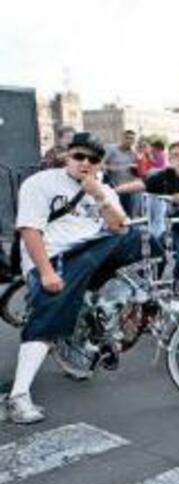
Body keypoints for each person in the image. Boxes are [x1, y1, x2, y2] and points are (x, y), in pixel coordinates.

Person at [3, 132, 139, 423]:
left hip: (87, 253)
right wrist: (46, 273)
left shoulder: (104, 189)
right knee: (49, 315)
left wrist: (99, 195)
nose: (85, 163)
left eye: (93, 159)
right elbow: (30, 231)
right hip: (54, 256)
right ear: (67, 156)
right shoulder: (41, 183)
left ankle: (92, 301)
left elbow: (118, 228)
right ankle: (18, 396)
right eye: (79, 156)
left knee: (133, 236)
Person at [116, 141, 179, 307]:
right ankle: (148, 301)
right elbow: (142, 185)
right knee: (153, 255)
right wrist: (111, 191)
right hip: (177, 227)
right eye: (176, 156)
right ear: (169, 159)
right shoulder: (166, 175)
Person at [103, 130, 139, 214]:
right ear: (122, 138)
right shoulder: (110, 149)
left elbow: (138, 170)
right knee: (114, 213)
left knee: (127, 214)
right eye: (127, 138)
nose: (129, 141)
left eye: (132, 139)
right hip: (113, 187)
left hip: (128, 188)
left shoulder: (133, 154)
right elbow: (99, 164)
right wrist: (110, 168)